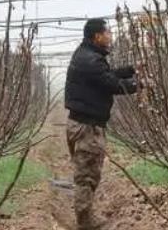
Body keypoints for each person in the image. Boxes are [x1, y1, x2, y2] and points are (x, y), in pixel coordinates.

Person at [64, 18, 137, 230]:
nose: (110, 37)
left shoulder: (87, 56)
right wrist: (139, 84)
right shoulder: (91, 60)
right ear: (97, 36)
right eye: (108, 33)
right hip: (87, 128)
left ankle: (85, 216)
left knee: (86, 174)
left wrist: (129, 70)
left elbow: (104, 76)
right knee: (87, 176)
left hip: (80, 124)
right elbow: (110, 83)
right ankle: (85, 222)